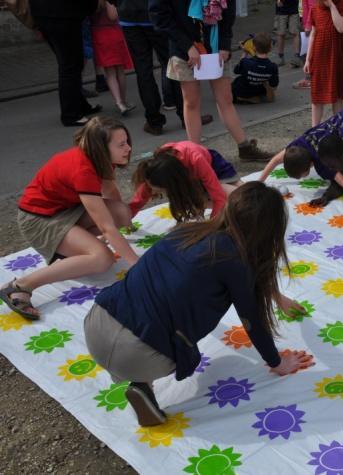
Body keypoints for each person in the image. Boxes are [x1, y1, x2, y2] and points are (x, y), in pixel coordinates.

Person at [84, 183, 315, 427]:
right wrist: (277, 362)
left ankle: (142, 384)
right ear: (268, 230)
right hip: (135, 355)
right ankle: (141, 378)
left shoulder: (187, 231)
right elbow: (252, 320)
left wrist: (277, 297)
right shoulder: (235, 260)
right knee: (180, 345)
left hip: (97, 322)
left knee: (151, 309)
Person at [0, 117, 139, 320]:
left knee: (122, 213)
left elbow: (110, 192)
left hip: (64, 210)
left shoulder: (101, 159)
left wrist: (126, 223)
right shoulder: (84, 169)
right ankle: (20, 286)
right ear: (101, 148)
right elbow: (107, 227)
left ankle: (74, 251)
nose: (128, 148)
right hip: (38, 220)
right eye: (121, 144)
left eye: (127, 141)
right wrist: (137, 264)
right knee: (103, 258)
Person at [149, 0, 272, 161]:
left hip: (215, 46)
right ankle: (195, 155)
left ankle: (245, 148)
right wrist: (187, 46)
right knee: (191, 102)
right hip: (184, 48)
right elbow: (159, 15)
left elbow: (228, 11)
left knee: (225, 99)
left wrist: (224, 44)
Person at [116, 0, 213, 136]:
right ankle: (184, 115)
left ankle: (155, 121)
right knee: (170, 62)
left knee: (144, 70)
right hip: (152, 16)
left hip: (129, 16)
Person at [29, 0, 102, 126]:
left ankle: (80, 105)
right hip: (63, 16)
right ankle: (71, 114)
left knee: (73, 63)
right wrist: (91, 8)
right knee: (70, 66)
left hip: (45, 16)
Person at [129, 141, 241, 221]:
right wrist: (128, 216)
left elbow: (218, 197)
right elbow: (141, 196)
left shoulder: (196, 160)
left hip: (213, 164)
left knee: (238, 194)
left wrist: (212, 225)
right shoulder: (155, 170)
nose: (153, 191)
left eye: (160, 190)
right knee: (199, 200)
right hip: (188, 173)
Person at [258, 107, 343, 181]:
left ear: (308, 166)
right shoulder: (299, 144)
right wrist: (260, 181)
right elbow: (275, 160)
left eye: (303, 175)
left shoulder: (323, 162)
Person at [303, 0, 343, 126]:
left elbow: (341, 28)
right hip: (319, 58)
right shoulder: (315, 9)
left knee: (337, 95)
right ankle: (314, 129)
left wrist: (332, 6)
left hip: (336, 58)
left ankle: (338, 127)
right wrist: (308, 59)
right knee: (317, 96)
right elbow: (313, 34)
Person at [90, 0, 136, 115]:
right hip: (112, 32)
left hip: (97, 33)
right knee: (119, 71)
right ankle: (123, 102)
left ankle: (118, 102)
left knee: (109, 72)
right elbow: (113, 16)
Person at [231, 32, 279, 104]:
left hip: (243, 90)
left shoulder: (246, 62)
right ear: (270, 49)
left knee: (231, 86)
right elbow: (274, 85)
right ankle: (262, 94)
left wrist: (245, 52)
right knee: (267, 83)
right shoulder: (273, 67)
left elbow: (236, 70)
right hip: (259, 90)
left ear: (254, 47)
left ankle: (245, 98)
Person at [275, 0, 302, 67]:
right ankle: (281, 57)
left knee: (295, 32)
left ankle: (297, 57)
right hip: (281, 10)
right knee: (280, 33)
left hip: (294, 8)